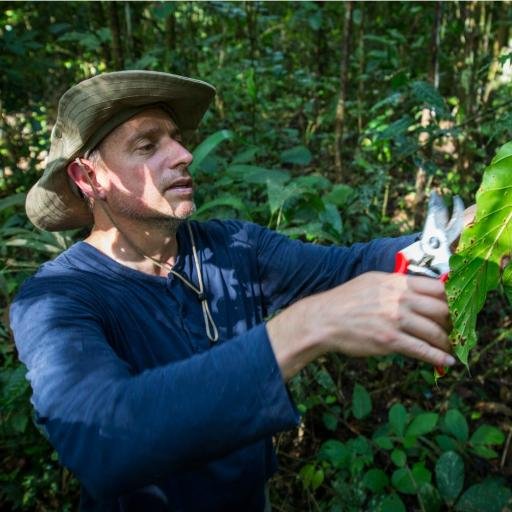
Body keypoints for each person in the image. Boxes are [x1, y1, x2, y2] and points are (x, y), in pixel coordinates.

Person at [10, 70, 456, 512]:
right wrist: (303, 327)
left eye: (177, 139)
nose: (184, 154)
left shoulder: (232, 247)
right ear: (88, 178)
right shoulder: (56, 298)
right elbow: (100, 440)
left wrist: (467, 239)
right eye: (148, 146)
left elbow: (350, 268)